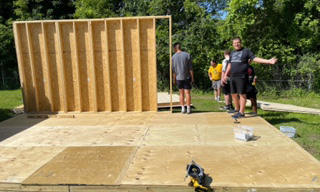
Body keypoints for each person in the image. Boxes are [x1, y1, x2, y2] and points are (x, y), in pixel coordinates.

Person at [223, 37, 277, 118]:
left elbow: (255, 59)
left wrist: (268, 61)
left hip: (242, 76)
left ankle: (241, 112)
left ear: (240, 43)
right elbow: (230, 64)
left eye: (238, 42)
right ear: (233, 44)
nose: (236, 44)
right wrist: (225, 75)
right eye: (235, 43)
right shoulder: (232, 53)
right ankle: (237, 110)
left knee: (242, 94)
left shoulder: (246, 51)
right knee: (233, 93)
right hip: (233, 76)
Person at [172, 42, 194, 114]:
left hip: (178, 77)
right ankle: (188, 108)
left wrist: (174, 79)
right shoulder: (187, 55)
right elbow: (190, 68)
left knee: (181, 93)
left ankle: (182, 108)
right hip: (187, 77)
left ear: (175, 48)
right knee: (187, 93)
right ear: (180, 47)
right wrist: (192, 77)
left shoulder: (173, 57)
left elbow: (174, 70)